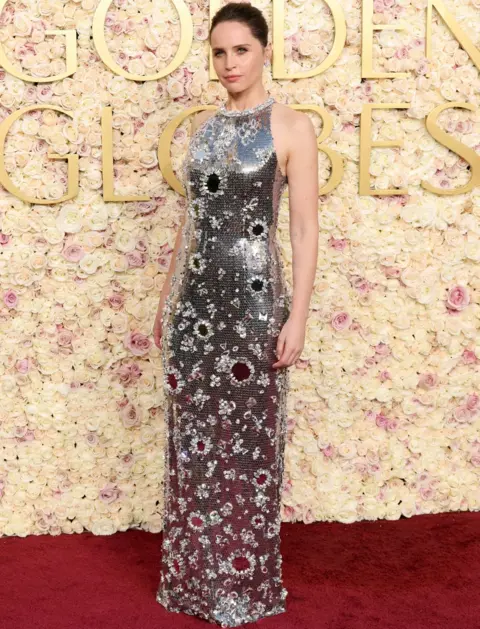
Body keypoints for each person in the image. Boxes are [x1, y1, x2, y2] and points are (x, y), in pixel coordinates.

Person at [153, 2, 318, 626]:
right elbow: (188, 225)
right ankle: (193, 583)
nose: (228, 64)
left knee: (248, 447)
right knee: (193, 443)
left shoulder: (290, 126)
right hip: (194, 305)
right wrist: (164, 305)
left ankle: (244, 586)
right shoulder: (203, 129)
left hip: (255, 305)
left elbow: (303, 229)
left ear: (264, 51)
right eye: (219, 52)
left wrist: (296, 316)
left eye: (240, 50)